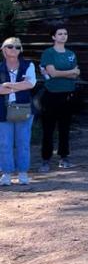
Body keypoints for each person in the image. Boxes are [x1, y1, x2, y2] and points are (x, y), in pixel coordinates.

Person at [39, 25, 79, 172]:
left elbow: (76, 73)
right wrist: (70, 72)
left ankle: (64, 157)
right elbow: (52, 73)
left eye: (65, 33)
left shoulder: (71, 54)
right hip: (51, 95)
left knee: (65, 128)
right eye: (60, 34)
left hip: (68, 94)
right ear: (53, 37)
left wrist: (67, 72)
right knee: (48, 129)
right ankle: (45, 159)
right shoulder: (48, 53)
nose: (63, 36)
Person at [0, 37, 37, 185]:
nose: (14, 49)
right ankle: (6, 174)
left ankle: (23, 173)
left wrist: (9, 85)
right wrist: (19, 85)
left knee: (23, 142)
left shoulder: (29, 65)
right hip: (3, 110)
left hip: (24, 108)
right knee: (4, 143)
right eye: (10, 46)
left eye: (17, 47)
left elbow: (31, 83)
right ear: (3, 49)